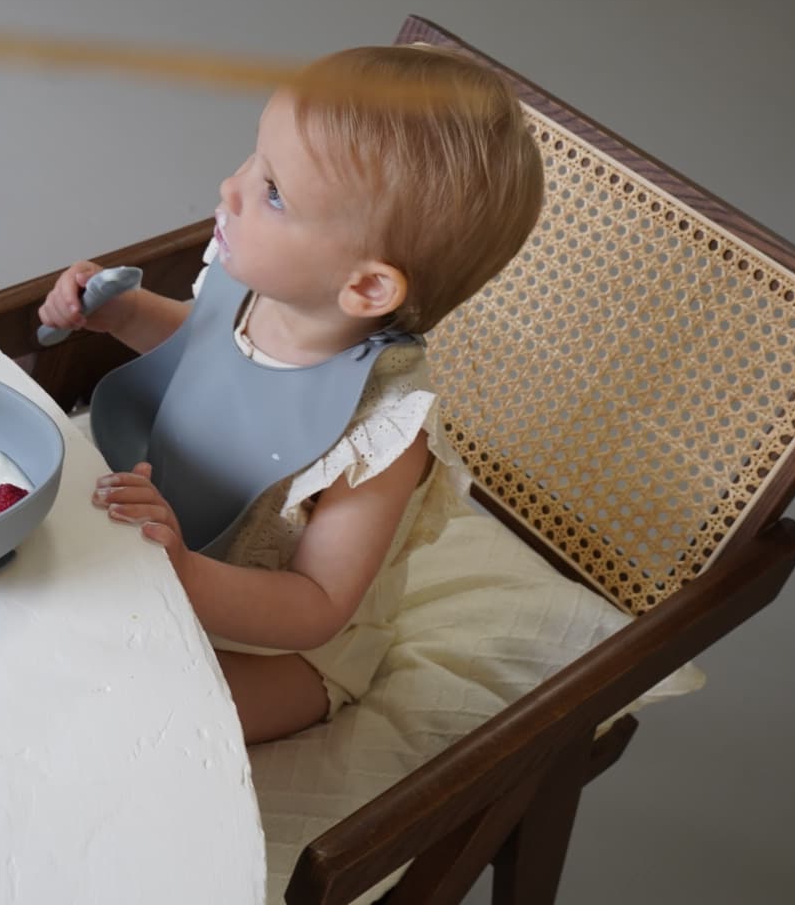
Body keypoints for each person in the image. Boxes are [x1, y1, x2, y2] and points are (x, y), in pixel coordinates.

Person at [38, 45, 545, 743]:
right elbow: (213, 350)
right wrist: (120, 314)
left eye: (273, 191)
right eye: (254, 158)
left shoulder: (382, 432)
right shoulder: (257, 283)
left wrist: (184, 572)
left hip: (281, 645)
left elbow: (318, 604)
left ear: (366, 287)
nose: (230, 187)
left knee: (150, 718)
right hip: (169, 539)